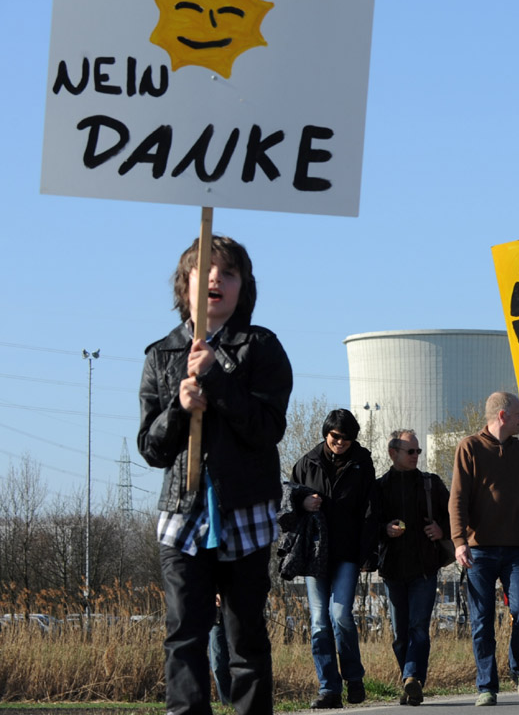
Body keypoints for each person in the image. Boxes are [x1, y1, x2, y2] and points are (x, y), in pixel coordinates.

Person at [139, 235, 292, 715]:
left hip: (244, 511)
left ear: (242, 287)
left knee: (245, 635)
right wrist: (179, 411)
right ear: (183, 286)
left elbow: (268, 429)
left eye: (227, 272)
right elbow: (151, 447)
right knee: (184, 634)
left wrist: (219, 379)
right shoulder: (161, 355)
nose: (214, 279)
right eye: (202, 272)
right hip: (183, 516)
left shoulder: (261, 347)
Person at [450, 392, 519, 706]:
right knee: (482, 620)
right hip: (480, 551)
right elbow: (458, 499)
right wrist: (459, 542)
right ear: (503, 416)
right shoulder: (470, 448)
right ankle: (486, 686)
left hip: (517, 549)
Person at [289, 408, 377, 708]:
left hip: (348, 553)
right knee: (319, 622)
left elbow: (370, 510)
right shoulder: (306, 463)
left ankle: (353, 678)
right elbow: (286, 501)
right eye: (336, 436)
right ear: (326, 434)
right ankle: (328, 688)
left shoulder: (362, 464)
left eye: (347, 438)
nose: (341, 442)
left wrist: (368, 552)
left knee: (340, 615)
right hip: (315, 554)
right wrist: (302, 501)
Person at [372, 429, 450, 706]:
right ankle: (409, 681)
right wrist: (385, 529)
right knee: (399, 634)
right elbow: (369, 526)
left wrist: (443, 530)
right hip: (392, 570)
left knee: (418, 627)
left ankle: (412, 677)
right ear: (393, 453)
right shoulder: (379, 488)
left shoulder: (431, 484)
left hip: (424, 569)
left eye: (418, 451)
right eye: (411, 451)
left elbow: (454, 514)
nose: (416, 456)